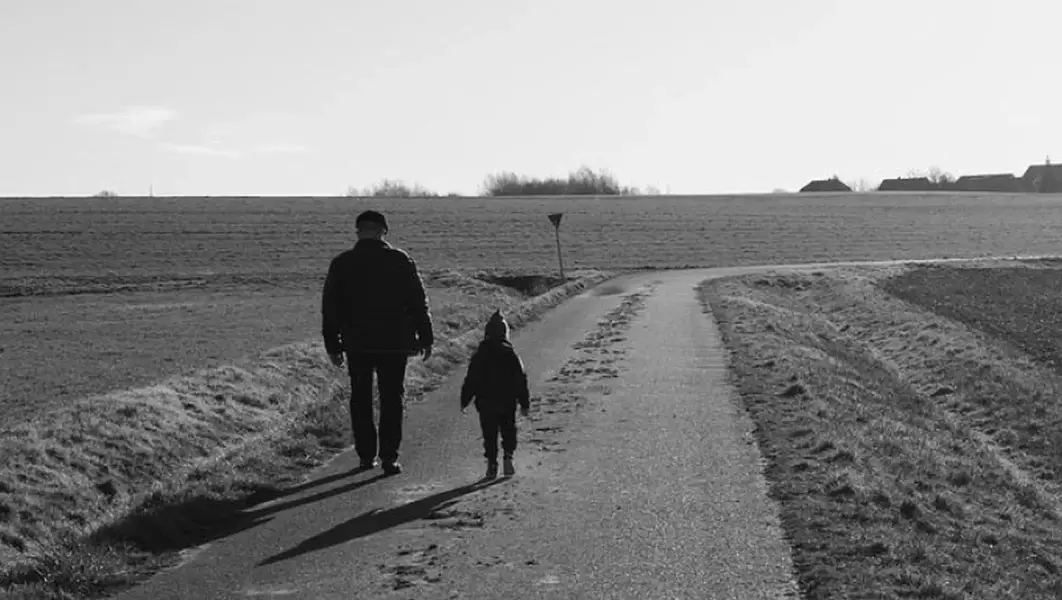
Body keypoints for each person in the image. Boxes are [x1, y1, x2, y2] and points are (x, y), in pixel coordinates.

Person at [321, 209, 434, 475]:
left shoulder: (342, 263)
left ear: (358, 231)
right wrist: (426, 337)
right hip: (394, 342)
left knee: (360, 397)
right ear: (384, 231)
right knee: (392, 398)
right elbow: (418, 302)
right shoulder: (400, 260)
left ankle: (365, 456)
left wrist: (333, 344)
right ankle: (389, 457)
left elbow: (330, 308)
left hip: (357, 343)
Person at [460, 310, 531, 479]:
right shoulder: (511, 354)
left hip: (486, 403)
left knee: (489, 434)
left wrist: (465, 399)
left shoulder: (479, 356)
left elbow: (471, 379)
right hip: (507, 401)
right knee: (509, 430)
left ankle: (492, 463)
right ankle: (508, 457)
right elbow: (521, 380)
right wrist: (524, 403)